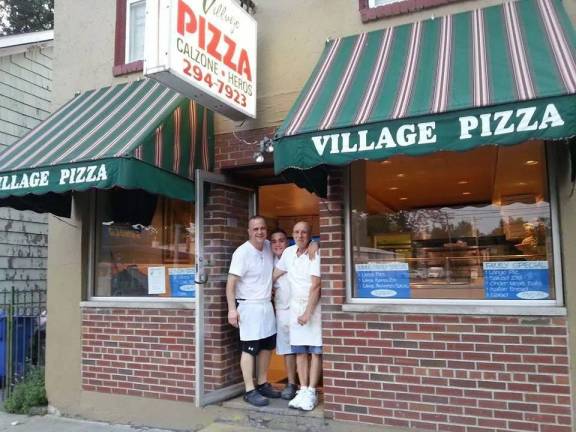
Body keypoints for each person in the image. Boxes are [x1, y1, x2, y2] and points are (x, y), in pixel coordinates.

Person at [226, 215, 281, 407]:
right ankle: (250, 390)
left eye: (262, 228)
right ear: (249, 231)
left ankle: (263, 383)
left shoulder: (268, 246)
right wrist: (232, 310)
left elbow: (286, 252)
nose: (259, 232)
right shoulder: (242, 253)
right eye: (255, 229)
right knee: (249, 349)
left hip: (266, 305)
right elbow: (230, 284)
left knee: (267, 347)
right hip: (248, 306)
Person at [274, 221, 322, 412]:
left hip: (313, 308)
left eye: (304, 232)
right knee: (300, 352)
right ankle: (302, 389)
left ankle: (312, 391)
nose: (300, 235)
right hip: (295, 308)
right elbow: (276, 273)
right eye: (296, 232)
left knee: (315, 352)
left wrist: (308, 312)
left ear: (310, 235)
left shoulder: (315, 252)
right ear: (292, 234)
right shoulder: (288, 253)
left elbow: (316, 285)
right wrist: (264, 288)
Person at [270, 229, 298, 401]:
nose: (278, 244)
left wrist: (314, 244)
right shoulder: (267, 261)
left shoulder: (295, 256)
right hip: (281, 310)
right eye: (274, 241)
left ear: (288, 243)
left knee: (304, 348)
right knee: (288, 350)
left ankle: (306, 386)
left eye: (281, 240)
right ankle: (291, 384)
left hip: (299, 308)